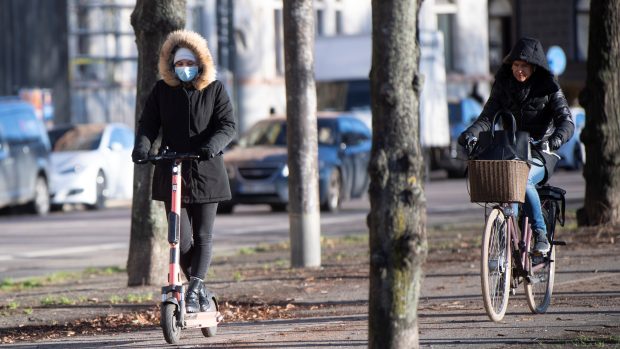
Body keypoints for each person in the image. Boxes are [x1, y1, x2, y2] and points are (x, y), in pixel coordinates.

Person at [131, 29, 236, 313]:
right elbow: (148, 124)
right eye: (179, 64)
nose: (184, 69)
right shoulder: (162, 91)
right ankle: (200, 287)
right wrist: (142, 148)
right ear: (171, 65)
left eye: (189, 63)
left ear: (200, 63)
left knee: (203, 235)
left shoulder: (215, 89)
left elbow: (227, 125)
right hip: (173, 168)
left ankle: (195, 288)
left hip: (206, 170)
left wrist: (211, 146)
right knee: (181, 238)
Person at [458, 37, 574, 254]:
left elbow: (566, 122)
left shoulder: (549, 87)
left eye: (525, 66)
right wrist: (469, 134)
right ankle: (506, 243)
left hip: (540, 152)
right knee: (502, 185)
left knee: (524, 179)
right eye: (516, 65)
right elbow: (486, 118)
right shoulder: (503, 85)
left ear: (535, 67)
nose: (519, 70)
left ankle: (540, 234)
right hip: (510, 150)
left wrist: (554, 140)